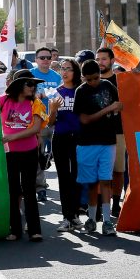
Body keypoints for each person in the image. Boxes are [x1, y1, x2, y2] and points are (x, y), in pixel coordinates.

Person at [73, 60, 122, 235]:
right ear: (83, 78)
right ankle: (92, 218)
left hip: (108, 141)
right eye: (89, 79)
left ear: (100, 74)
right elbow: (84, 119)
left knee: (106, 180)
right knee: (92, 183)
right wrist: (108, 109)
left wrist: (117, 107)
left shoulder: (108, 85)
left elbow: (120, 104)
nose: (93, 82)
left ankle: (107, 221)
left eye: (96, 78)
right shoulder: (81, 91)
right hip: (87, 143)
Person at [0, 69, 44, 241]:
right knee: (12, 190)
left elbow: (35, 128)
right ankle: (14, 230)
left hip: (29, 152)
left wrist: (12, 137)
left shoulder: (36, 103)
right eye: (29, 84)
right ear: (19, 85)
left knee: (29, 190)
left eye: (34, 84)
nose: (33, 87)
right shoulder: (2, 101)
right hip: (9, 154)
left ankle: (34, 230)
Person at [49, 58, 83, 231]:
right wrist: (53, 109)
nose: (64, 72)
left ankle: (75, 215)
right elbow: (50, 122)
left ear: (75, 71)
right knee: (63, 178)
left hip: (78, 138)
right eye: (62, 68)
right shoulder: (55, 92)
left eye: (68, 69)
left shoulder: (81, 91)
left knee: (77, 177)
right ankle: (66, 217)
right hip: (60, 137)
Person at [96, 47, 125, 217]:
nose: (100, 62)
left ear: (112, 61)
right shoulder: (91, 81)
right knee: (100, 170)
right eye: (98, 59)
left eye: (104, 59)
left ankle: (115, 204)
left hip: (119, 131)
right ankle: (99, 204)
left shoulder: (121, 80)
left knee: (118, 170)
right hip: (97, 132)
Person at [30, 47, 62, 201]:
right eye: (42, 57)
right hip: (38, 121)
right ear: (36, 60)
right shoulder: (31, 75)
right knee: (39, 156)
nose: (45, 60)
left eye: (48, 57)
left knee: (52, 156)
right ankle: (41, 187)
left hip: (55, 121)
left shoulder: (57, 77)